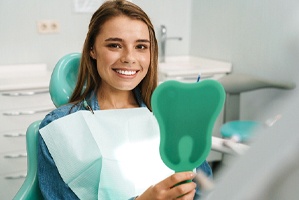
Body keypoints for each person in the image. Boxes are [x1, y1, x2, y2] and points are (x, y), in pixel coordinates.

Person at [38, 0, 212, 199]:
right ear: (92, 49)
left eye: (140, 46)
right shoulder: (60, 128)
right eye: (115, 45)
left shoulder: (174, 118)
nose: (129, 58)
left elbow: (205, 190)